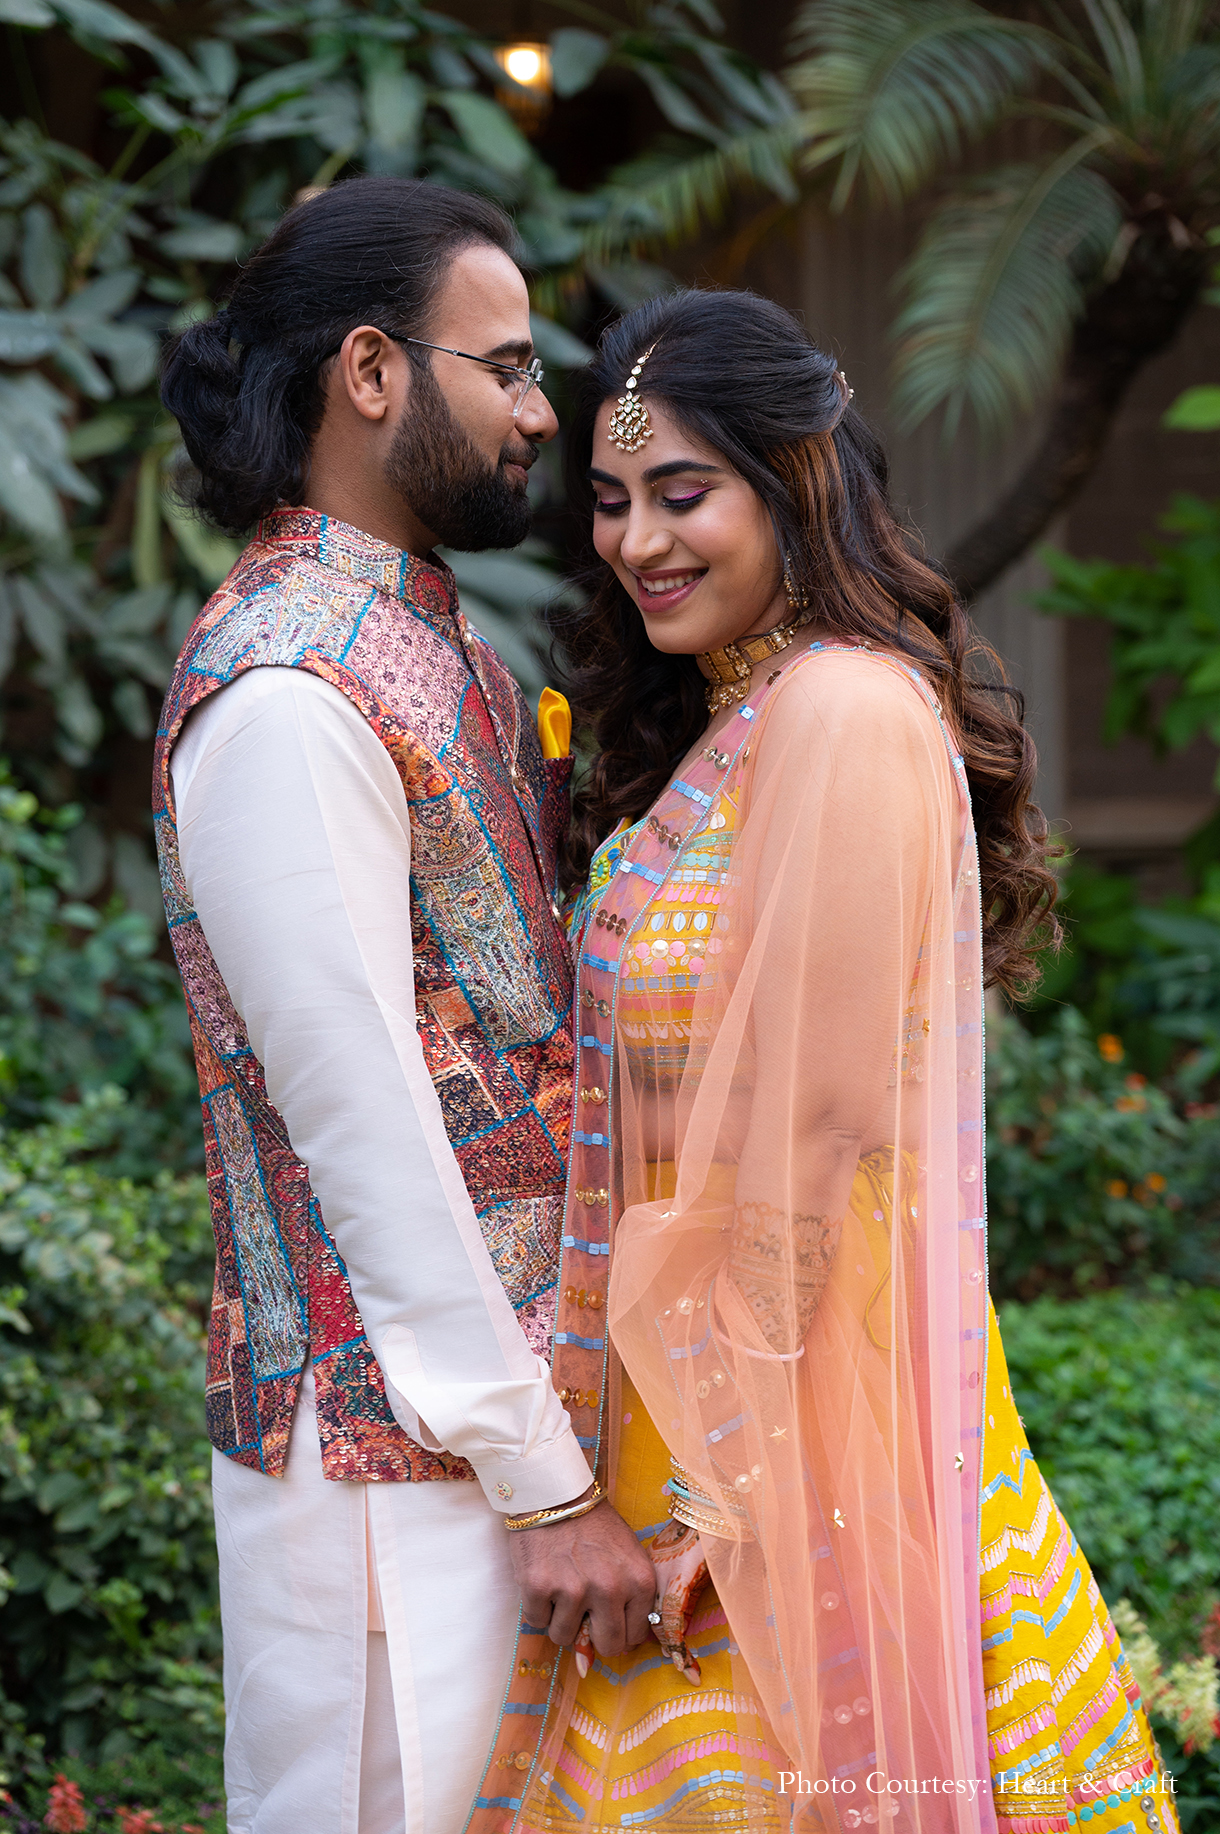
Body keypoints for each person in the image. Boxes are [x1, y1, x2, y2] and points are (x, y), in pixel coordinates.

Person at [478, 289, 1181, 1833]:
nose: (638, 541)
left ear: (794, 482)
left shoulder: (846, 710)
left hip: (812, 1426)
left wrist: (732, 1498)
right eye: (610, 501)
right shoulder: (736, 720)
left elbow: (823, 1127)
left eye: (683, 493)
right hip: (689, 1391)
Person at [153, 175, 655, 1834]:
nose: (538, 413)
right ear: (372, 373)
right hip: (389, 1479)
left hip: (487, 1452)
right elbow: (364, 1121)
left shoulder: (415, 636)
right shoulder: (292, 688)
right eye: (503, 366)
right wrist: (544, 1476)